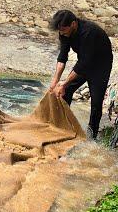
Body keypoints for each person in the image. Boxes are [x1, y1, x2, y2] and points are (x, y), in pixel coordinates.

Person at [48, 9, 114, 140]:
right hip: (84, 63)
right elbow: (62, 57)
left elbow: (84, 63)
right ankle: (64, 124)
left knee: (96, 103)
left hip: (100, 67)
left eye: (63, 30)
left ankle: (91, 135)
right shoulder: (64, 32)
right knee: (64, 91)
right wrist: (55, 81)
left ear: (73, 24)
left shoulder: (89, 32)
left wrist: (65, 82)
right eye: (60, 31)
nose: (61, 34)